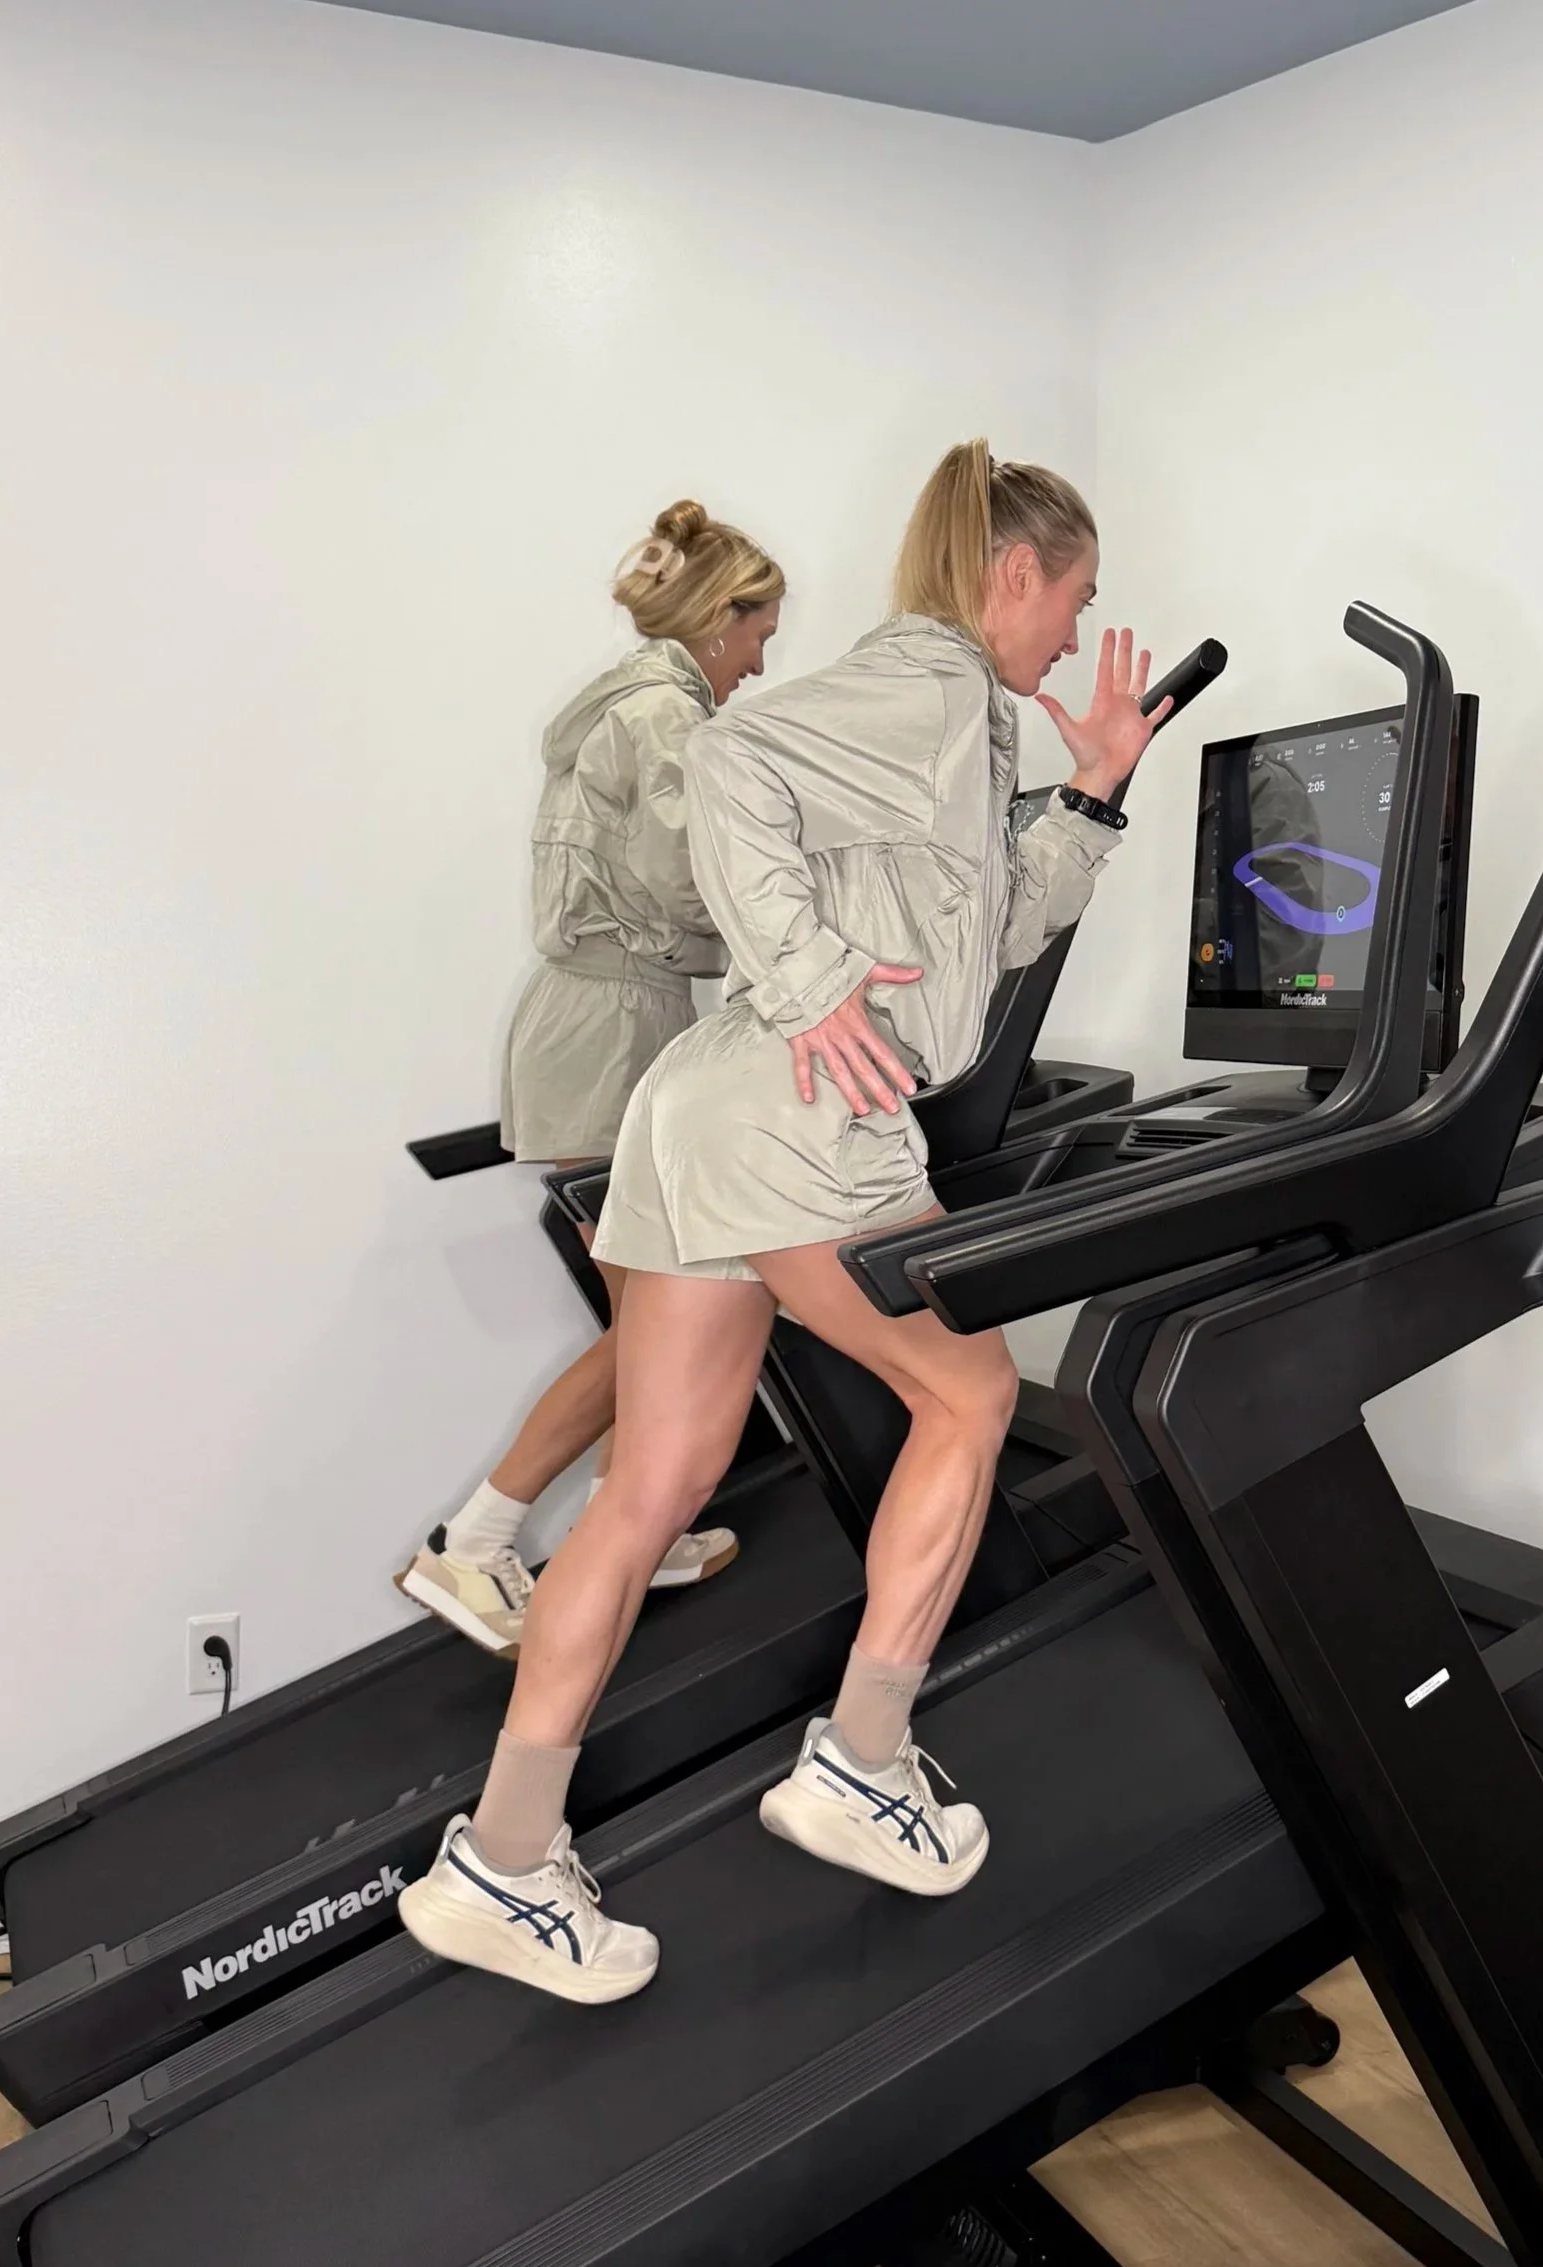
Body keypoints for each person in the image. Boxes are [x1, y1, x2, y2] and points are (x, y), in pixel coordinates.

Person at [398, 441, 1167, 2000]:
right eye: (1071, 603)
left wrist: (1091, 788)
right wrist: (816, 989)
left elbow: (992, 929)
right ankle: (863, 1758)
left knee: (654, 1484)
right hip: (800, 1108)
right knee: (970, 1392)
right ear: (1009, 574)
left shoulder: (955, 734)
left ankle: (502, 1854)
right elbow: (727, 775)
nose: (1073, 641)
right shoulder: (932, 684)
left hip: (703, 1108)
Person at [398, 500, 785, 1658]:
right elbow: (687, 882)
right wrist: (811, 926)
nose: (765, 660)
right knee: (657, 1326)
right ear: (721, 621)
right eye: (762, 632)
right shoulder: (667, 716)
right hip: (616, 1020)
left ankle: (643, 1513)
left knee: (647, 1313)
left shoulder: (632, 707)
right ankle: (476, 1538)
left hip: (609, 1011)